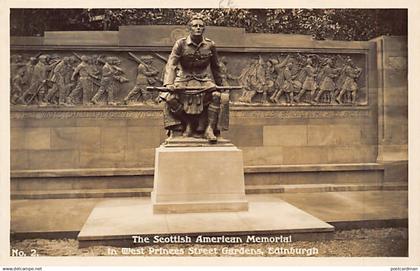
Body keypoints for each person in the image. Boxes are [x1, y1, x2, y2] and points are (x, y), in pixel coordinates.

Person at [160, 14, 227, 143]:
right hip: (183, 79)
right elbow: (171, 64)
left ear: (204, 29)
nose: (198, 28)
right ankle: (188, 123)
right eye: (195, 26)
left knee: (217, 96)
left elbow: (216, 67)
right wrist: (168, 84)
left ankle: (209, 129)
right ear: (189, 29)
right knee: (169, 97)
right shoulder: (180, 44)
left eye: (201, 26)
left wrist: (221, 85)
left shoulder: (210, 45)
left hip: (203, 80)